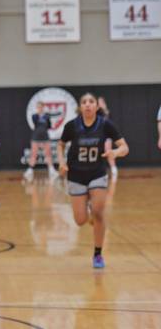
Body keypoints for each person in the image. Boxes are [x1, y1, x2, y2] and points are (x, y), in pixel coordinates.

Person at [57, 92, 128, 269]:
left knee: (98, 212)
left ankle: (97, 254)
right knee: (80, 220)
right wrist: (61, 162)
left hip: (97, 173)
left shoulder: (105, 125)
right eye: (84, 102)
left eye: (91, 102)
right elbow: (60, 144)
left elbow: (124, 147)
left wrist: (115, 153)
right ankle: (87, 211)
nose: (88, 104)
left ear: (97, 106)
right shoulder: (72, 126)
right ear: (80, 107)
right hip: (76, 175)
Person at [24, 101, 57, 182]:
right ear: (37, 108)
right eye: (38, 107)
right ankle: (30, 170)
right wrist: (39, 115)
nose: (39, 108)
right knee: (34, 154)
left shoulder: (47, 116)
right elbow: (35, 123)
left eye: (41, 107)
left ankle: (51, 170)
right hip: (36, 137)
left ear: (43, 107)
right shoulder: (34, 116)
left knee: (48, 153)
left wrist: (45, 118)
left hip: (45, 136)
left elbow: (49, 126)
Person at [97, 97, 118, 179]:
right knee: (99, 154)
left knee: (108, 152)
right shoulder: (96, 112)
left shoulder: (106, 112)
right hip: (98, 136)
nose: (100, 103)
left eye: (101, 101)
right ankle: (101, 173)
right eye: (98, 102)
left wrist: (104, 108)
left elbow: (108, 122)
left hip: (106, 136)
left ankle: (113, 170)